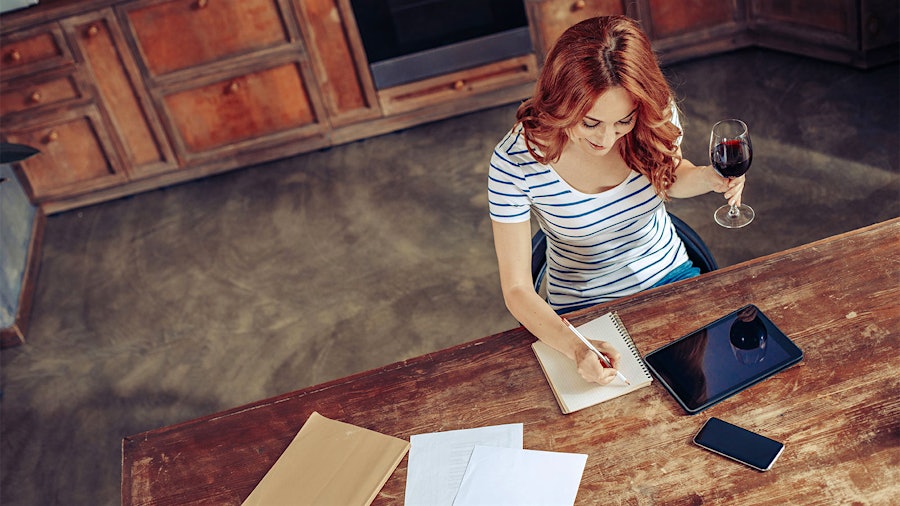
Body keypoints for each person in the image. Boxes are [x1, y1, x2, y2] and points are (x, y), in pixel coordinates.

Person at [487, 16, 746, 385]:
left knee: (702, 393)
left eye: (622, 122)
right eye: (590, 123)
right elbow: (516, 290)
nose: (607, 139)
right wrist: (575, 346)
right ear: (560, 102)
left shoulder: (651, 113)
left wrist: (707, 177)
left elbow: (669, 176)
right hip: (581, 310)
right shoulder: (516, 160)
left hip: (669, 280)